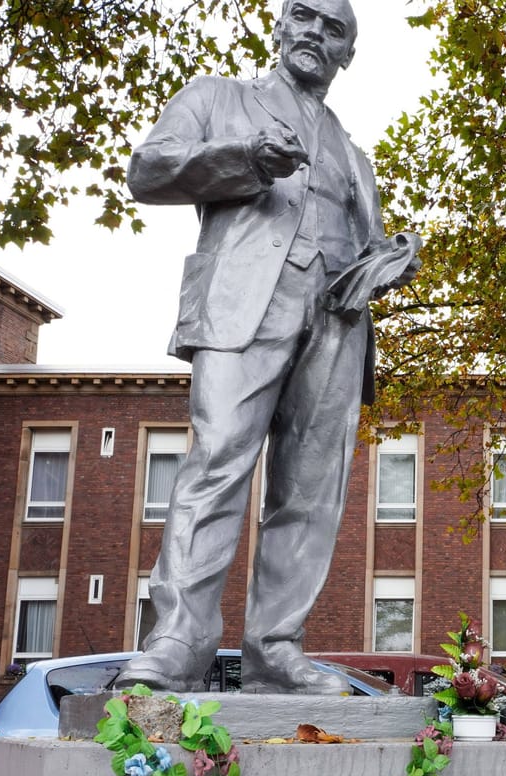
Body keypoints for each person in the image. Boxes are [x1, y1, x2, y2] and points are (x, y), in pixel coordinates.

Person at [116, 0, 421, 693]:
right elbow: (148, 170)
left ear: (348, 54)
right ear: (279, 27)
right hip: (242, 307)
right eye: (305, 17)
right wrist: (244, 159)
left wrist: (389, 258)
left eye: (334, 28)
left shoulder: (354, 155)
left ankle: (277, 648)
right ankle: (176, 641)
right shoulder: (219, 99)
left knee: (310, 494)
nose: (316, 32)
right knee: (218, 461)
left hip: (337, 323)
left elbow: (362, 243)